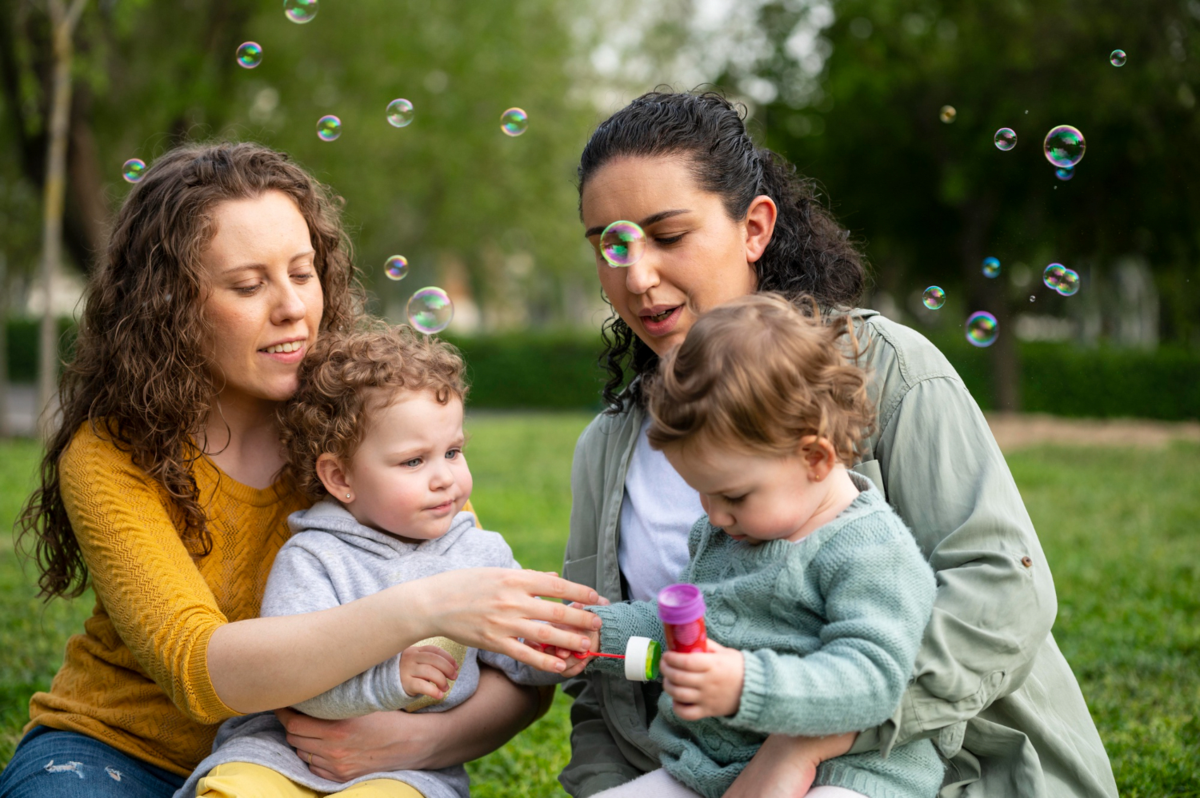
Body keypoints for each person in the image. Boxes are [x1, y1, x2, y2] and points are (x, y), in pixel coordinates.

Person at [560, 91, 1119, 798]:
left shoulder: (885, 369)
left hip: (937, 775)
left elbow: (1002, 596)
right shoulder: (607, 447)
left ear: (754, 228)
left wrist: (807, 743)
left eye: (668, 236)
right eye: (611, 245)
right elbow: (603, 701)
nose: (636, 277)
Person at [3, 142, 600, 798]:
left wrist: (421, 741)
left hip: (319, 760)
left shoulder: (363, 423)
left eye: (302, 271)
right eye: (248, 284)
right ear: (168, 305)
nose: (292, 307)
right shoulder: (115, 452)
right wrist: (430, 605)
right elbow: (199, 672)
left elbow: (509, 671)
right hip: (117, 752)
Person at [559, 294, 942, 798]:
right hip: (714, 767)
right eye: (702, 492)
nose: (714, 515)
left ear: (814, 458)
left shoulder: (871, 550)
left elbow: (873, 680)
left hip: (850, 775)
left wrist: (744, 683)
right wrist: (594, 632)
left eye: (733, 495)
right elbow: (687, 628)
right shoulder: (727, 533)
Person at [177, 324, 564, 798]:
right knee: (237, 790)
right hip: (284, 754)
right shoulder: (314, 556)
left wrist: (553, 647)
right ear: (340, 477)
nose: (445, 478)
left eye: (453, 452)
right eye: (414, 462)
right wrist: (389, 679)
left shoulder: (482, 555)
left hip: (404, 771)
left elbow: (517, 662)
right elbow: (293, 684)